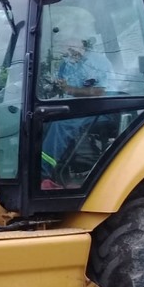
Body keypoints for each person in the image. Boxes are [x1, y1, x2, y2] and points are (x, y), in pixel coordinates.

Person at [40, 28, 114, 189]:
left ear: (82, 43)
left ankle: (42, 174)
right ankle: (60, 172)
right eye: (65, 42)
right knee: (41, 118)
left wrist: (70, 90)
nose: (67, 46)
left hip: (102, 108)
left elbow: (101, 91)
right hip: (76, 107)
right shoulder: (66, 63)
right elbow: (61, 87)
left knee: (60, 124)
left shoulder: (96, 62)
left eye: (70, 41)